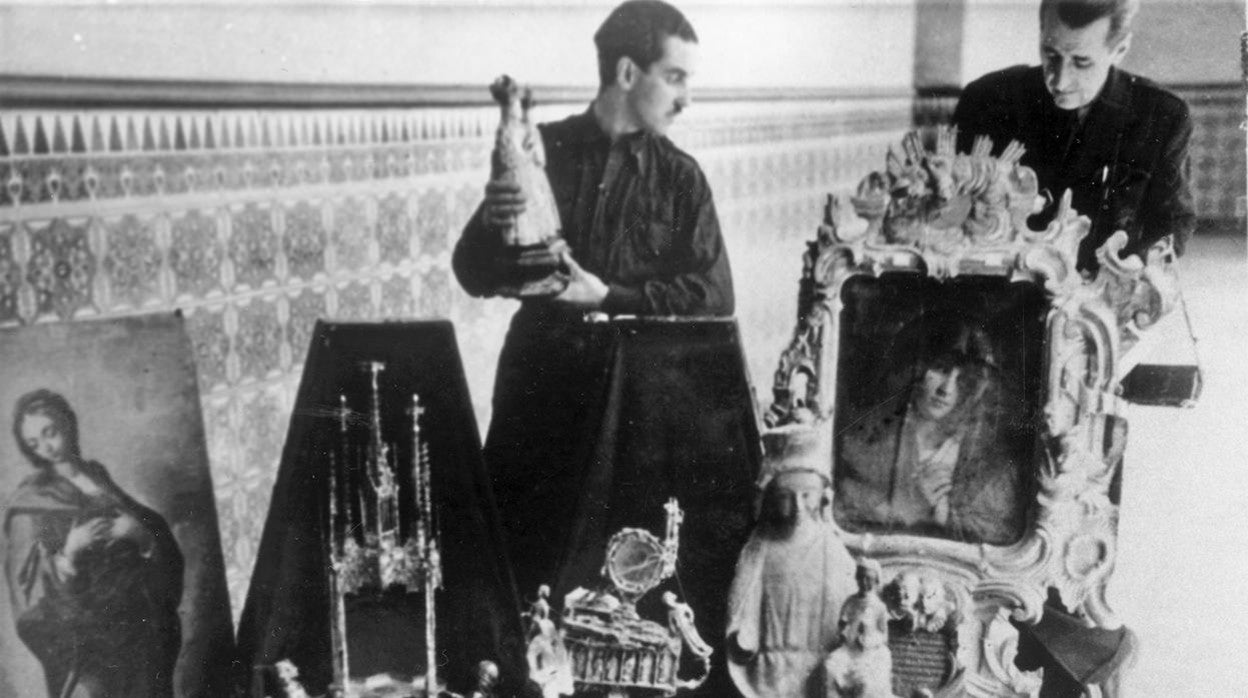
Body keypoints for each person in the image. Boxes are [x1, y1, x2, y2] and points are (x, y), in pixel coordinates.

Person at [453, 0, 734, 600]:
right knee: (522, 561)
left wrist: (608, 294)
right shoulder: (541, 151)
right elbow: (472, 271)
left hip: (635, 399)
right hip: (539, 384)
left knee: (618, 579)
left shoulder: (682, 177)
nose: (685, 98)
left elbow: (715, 292)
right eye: (676, 77)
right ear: (629, 73)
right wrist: (492, 221)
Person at [952, 0, 1194, 273]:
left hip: (1094, 290)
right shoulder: (987, 100)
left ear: (1120, 49)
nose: (1060, 80)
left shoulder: (1161, 115)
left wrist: (1131, 268)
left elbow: (1173, 221)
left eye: (1081, 62)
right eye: (1050, 54)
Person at [4, 389, 184, 698]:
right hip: (89, 637)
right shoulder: (31, 500)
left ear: (68, 423)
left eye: (50, 432)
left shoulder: (97, 476)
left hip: (139, 622)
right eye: (35, 443)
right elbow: (28, 591)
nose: (47, 448)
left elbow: (150, 529)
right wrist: (70, 551)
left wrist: (138, 534)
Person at [836, 320, 1024, 545]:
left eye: (963, 378)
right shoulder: (866, 443)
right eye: (941, 369)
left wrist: (943, 517)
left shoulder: (989, 461)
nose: (946, 389)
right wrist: (911, 504)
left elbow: (1000, 535)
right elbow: (846, 512)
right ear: (915, 370)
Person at [823, 558, 893, 698]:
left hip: (871, 653)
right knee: (830, 667)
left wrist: (870, 641)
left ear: (876, 581)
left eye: (869, 579)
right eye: (861, 578)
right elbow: (842, 624)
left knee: (865, 681)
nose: (864, 582)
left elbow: (884, 636)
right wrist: (844, 633)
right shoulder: (850, 601)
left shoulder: (879, 607)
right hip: (849, 649)